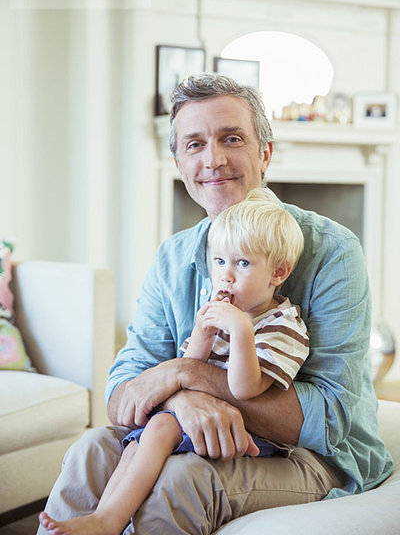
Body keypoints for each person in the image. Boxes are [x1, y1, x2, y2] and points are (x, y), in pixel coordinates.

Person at [37, 74, 393, 535]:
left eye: (231, 138)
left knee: (181, 480)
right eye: (194, 145)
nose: (213, 160)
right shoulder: (173, 257)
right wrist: (183, 400)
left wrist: (187, 375)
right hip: (196, 434)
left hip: (314, 458)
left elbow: (329, 421)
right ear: (179, 163)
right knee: (89, 452)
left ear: (264, 153)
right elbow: (123, 390)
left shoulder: (331, 250)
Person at [39, 189, 309, 535]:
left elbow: (244, 388)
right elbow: (188, 368)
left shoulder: (283, 325)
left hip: (251, 434)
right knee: (134, 443)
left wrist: (240, 331)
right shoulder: (226, 314)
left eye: (242, 263)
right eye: (219, 262)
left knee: (162, 427)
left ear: (278, 272)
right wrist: (203, 330)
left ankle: (109, 521)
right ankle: (103, 516)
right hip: (204, 420)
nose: (226, 275)